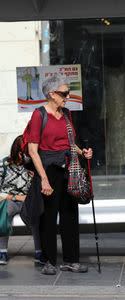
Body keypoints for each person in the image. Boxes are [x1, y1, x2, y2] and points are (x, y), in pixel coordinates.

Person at [27, 75, 93, 275]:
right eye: (64, 93)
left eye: (67, 93)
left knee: (70, 215)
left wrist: (83, 152)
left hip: (68, 169)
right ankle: (47, 261)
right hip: (48, 170)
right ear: (52, 94)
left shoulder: (66, 114)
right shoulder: (39, 115)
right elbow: (32, 150)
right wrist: (44, 179)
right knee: (48, 217)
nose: (67, 96)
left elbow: (69, 141)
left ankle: (71, 260)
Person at [0, 135, 42, 265]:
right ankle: (2, 252)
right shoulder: (4, 165)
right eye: (23, 153)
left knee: (35, 215)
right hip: (10, 200)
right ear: (16, 151)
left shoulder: (32, 166)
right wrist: (14, 197)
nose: (26, 156)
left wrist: (35, 179)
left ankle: (39, 251)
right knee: (4, 214)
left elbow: (38, 190)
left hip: (27, 201)